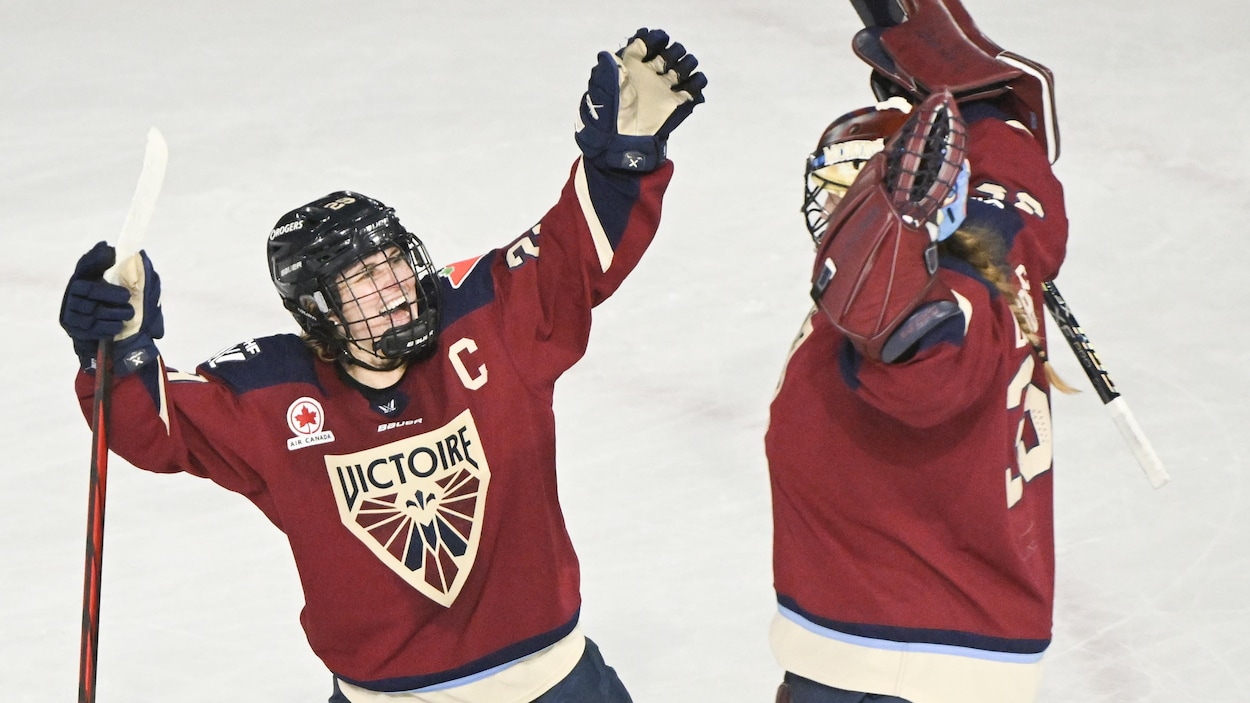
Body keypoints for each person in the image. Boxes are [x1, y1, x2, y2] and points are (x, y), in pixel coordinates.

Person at [59, 28, 705, 703]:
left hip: (553, 681)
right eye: (363, 275)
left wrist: (621, 166)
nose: (394, 282)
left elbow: (576, 258)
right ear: (318, 309)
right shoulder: (271, 393)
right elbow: (151, 428)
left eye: (394, 259)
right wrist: (117, 349)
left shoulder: (483, 317)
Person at [766, 1, 1073, 701]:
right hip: (942, 652)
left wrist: (900, 309)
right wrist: (961, 76)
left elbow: (928, 362)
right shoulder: (998, 239)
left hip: (887, 663)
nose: (843, 211)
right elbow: (1018, 168)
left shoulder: (918, 316)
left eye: (861, 193)